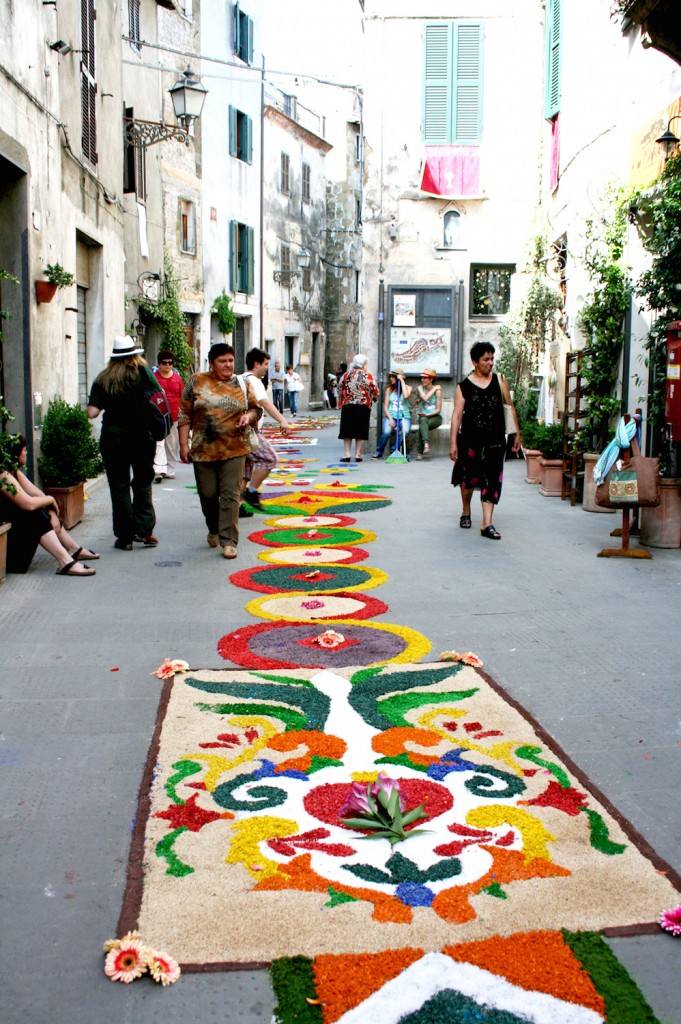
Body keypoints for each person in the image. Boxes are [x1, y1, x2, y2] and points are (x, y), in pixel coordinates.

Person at [178, 343, 262, 559]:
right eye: (222, 361)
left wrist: (248, 417)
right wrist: (183, 445)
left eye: (231, 360)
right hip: (202, 449)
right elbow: (184, 413)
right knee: (208, 494)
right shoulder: (197, 381)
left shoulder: (242, 383)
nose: (227, 365)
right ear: (211, 363)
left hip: (235, 447)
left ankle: (229, 540)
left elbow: (256, 408)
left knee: (230, 495)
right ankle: (213, 528)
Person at [88, 335, 161, 551]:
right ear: (134, 355)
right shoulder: (144, 373)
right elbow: (158, 396)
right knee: (142, 482)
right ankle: (145, 530)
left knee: (119, 487)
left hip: (114, 440)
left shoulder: (103, 378)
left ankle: (125, 537)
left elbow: (92, 413)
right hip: (142, 438)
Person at [449, 342, 520, 540]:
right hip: (470, 442)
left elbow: (510, 407)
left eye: (492, 359)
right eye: (486, 359)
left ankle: (487, 524)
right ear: (475, 361)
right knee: (469, 479)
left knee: (491, 480)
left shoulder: (500, 381)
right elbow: (456, 416)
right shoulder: (463, 387)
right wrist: (453, 443)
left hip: (495, 441)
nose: (490, 363)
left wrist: (516, 435)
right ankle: (466, 511)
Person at [0, 434, 98, 576]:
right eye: (24, 449)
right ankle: (66, 561)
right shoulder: (3, 476)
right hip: (8, 550)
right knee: (35, 514)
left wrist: (52, 512)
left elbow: (39, 496)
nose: (26, 452)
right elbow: (28, 504)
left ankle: (72, 549)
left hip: (13, 537)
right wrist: (51, 500)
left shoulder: (13, 472)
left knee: (39, 510)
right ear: (15, 453)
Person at [242, 347, 292, 510]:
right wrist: (282, 420)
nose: (267, 368)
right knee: (269, 457)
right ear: (256, 364)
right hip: (249, 432)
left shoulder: (240, 378)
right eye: (265, 364)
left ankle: (236, 506)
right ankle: (252, 492)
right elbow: (265, 403)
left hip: (241, 430)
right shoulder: (254, 381)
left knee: (245, 470)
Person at [337, 353, 379, 462]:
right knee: (361, 429)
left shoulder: (346, 375)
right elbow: (375, 390)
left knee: (347, 430)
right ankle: (358, 454)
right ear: (364, 364)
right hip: (363, 406)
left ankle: (346, 454)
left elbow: (339, 387)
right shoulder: (368, 376)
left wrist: (343, 399)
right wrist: (374, 398)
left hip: (348, 405)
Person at [152, 349, 183, 482]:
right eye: (164, 363)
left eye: (170, 363)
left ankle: (170, 470)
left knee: (172, 444)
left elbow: (182, 396)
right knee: (158, 443)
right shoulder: (153, 378)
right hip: (157, 416)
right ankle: (159, 470)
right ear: (159, 364)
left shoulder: (177, 378)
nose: (167, 365)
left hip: (174, 416)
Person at [371, 370, 412, 459]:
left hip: (404, 417)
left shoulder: (408, 388)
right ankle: (379, 451)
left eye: (393, 377)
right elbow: (385, 407)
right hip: (391, 416)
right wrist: (390, 419)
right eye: (390, 376)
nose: (390, 378)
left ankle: (394, 450)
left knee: (405, 430)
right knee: (386, 432)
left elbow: (405, 396)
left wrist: (401, 381)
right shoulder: (389, 390)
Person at [415, 368, 443, 459]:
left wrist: (428, 415)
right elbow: (425, 398)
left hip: (436, 417)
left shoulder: (438, 392)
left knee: (423, 425)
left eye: (425, 378)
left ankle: (420, 452)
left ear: (431, 379)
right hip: (424, 417)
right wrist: (435, 388)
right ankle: (426, 445)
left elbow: (438, 410)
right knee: (423, 421)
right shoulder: (420, 388)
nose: (422, 379)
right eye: (422, 378)